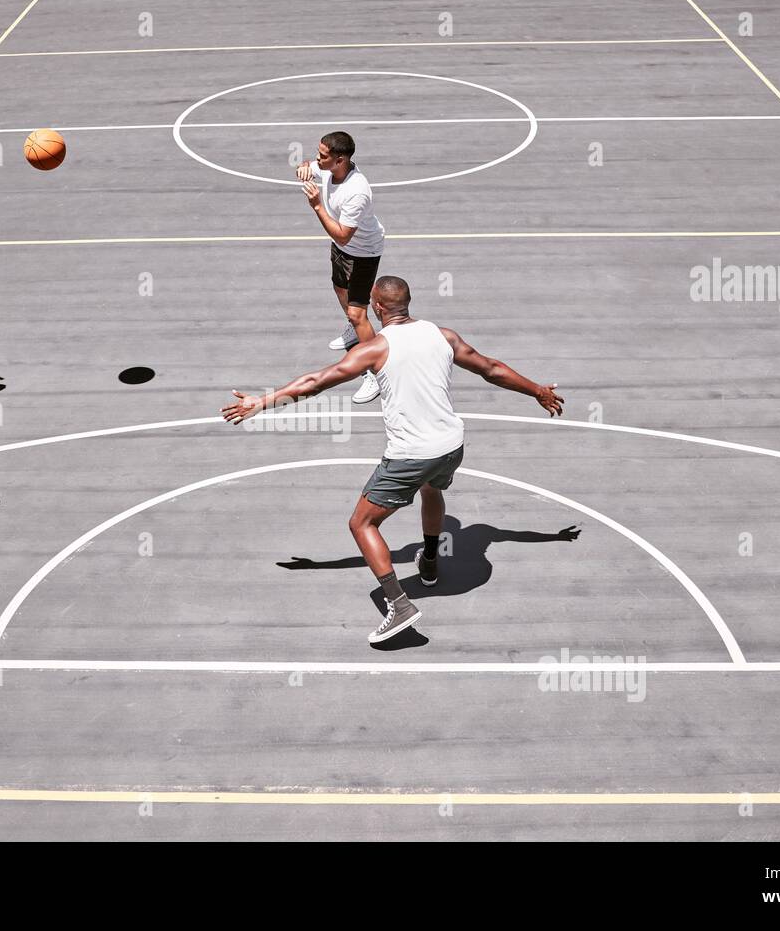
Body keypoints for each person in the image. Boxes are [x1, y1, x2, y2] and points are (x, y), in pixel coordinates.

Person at [222, 276, 563, 643]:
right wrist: (537, 391)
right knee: (432, 490)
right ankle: (429, 561)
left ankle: (399, 605)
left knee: (362, 524)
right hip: (450, 446)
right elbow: (491, 368)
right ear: (409, 302)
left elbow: (316, 382)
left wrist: (261, 402)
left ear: (378, 307)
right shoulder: (443, 335)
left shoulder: (376, 349)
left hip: (411, 454)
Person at [296, 131, 385, 404]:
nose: (317, 159)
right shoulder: (328, 169)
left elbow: (343, 235)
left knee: (359, 313)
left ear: (340, 160)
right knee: (338, 288)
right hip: (344, 248)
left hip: (363, 252)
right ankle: (352, 329)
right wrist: (303, 166)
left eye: (323, 156)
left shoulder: (356, 192)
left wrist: (317, 206)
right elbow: (309, 166)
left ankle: (376, 372)